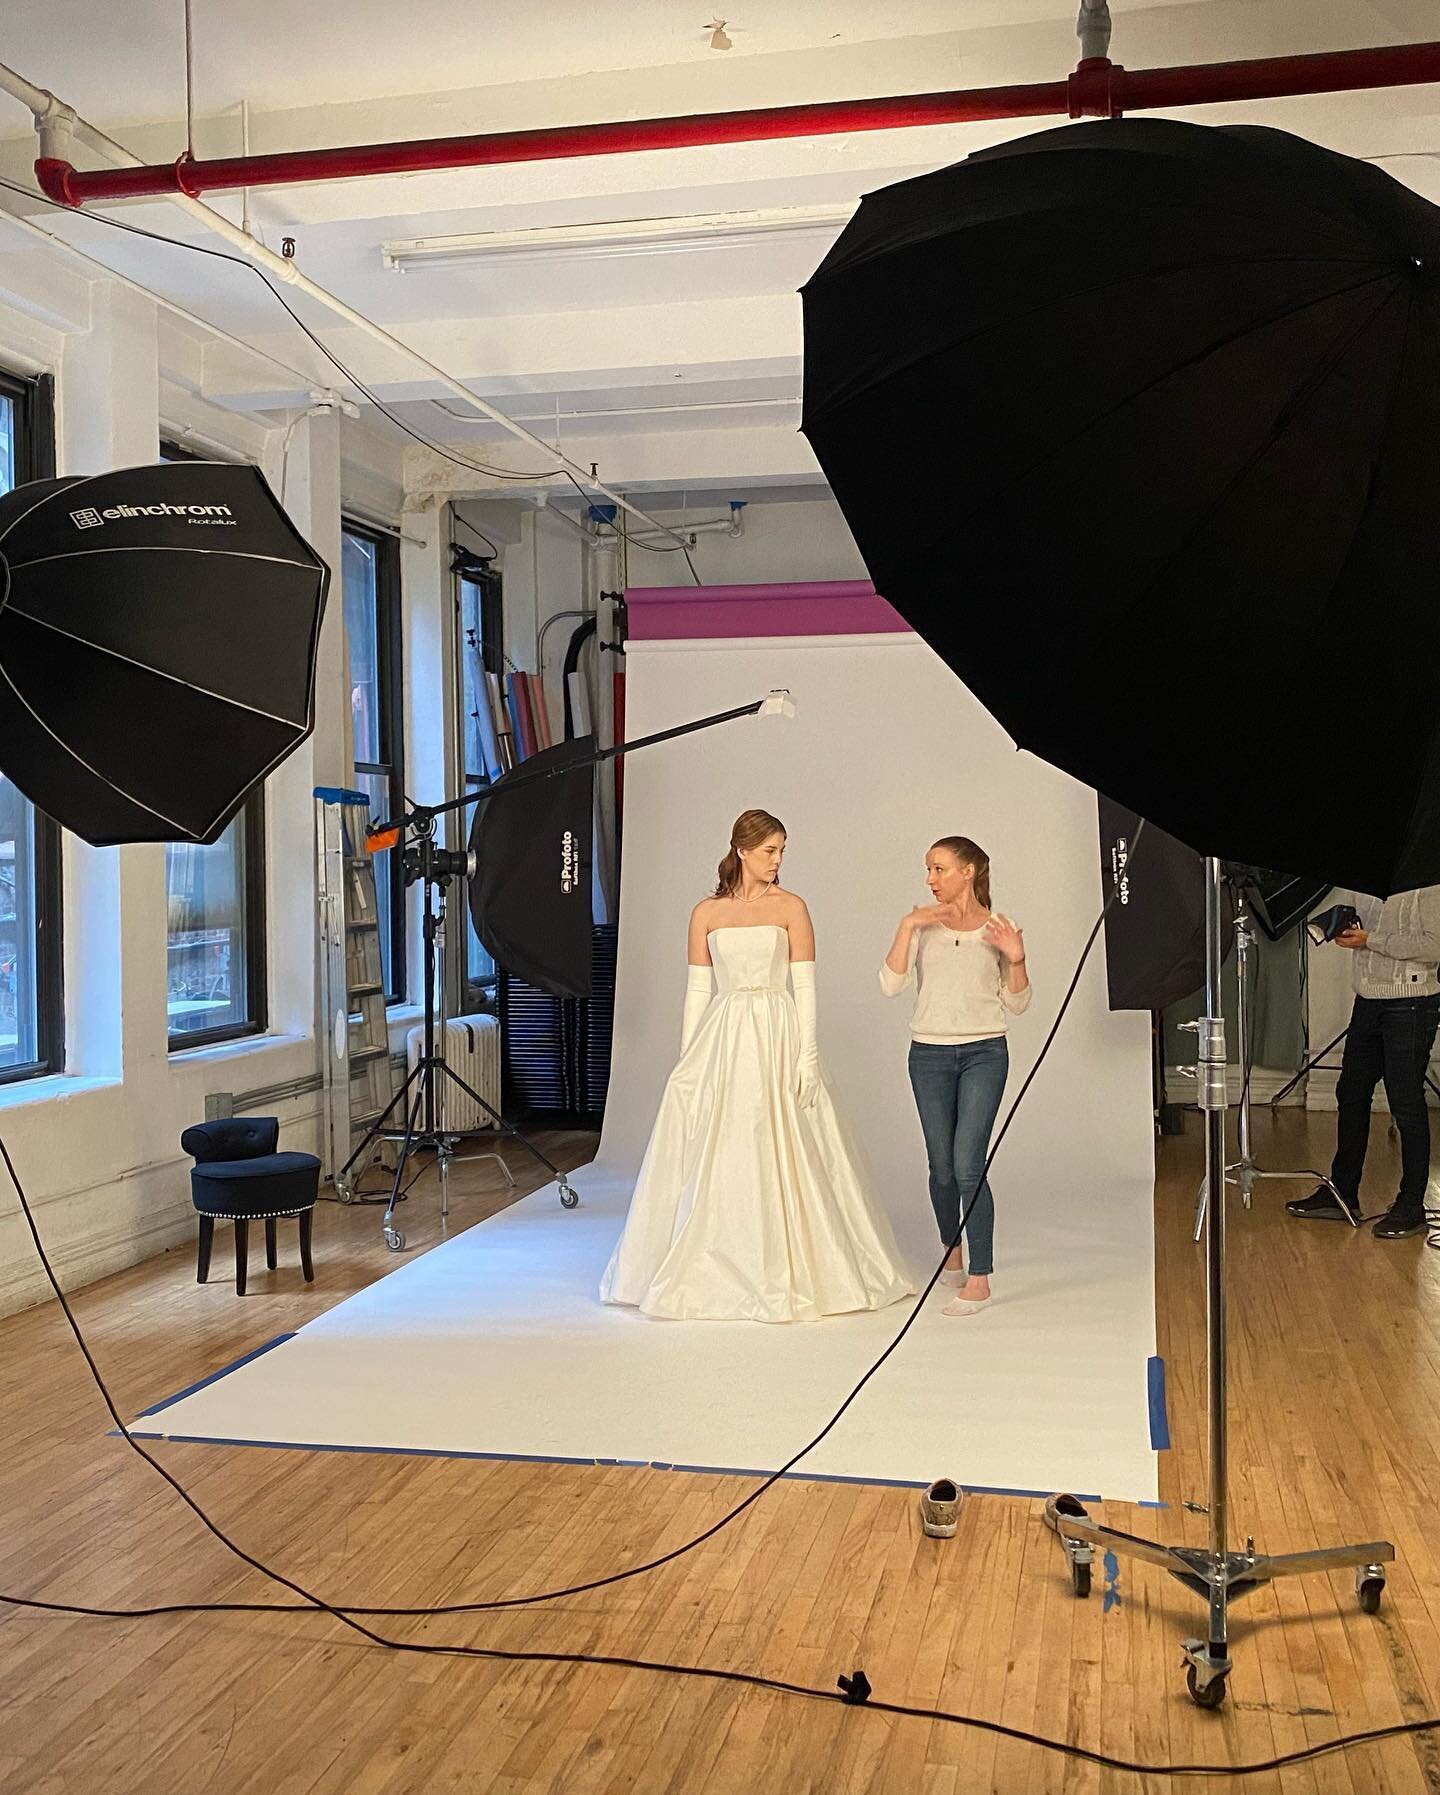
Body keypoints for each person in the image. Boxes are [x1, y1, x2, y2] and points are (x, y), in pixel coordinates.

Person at [600, 809, 914, 1323]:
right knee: (718, 1142)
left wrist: (808, 1055)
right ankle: (711, 1260)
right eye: (770, 850)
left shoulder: (792, 907)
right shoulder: (706, 912)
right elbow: (698, 990)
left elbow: (806, 986)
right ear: (742, 850)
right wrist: (688, 1060)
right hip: (724, 1033)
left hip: (776, 1028)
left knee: (784, 1137)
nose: (778, 860)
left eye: (782, 850)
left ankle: (803, 1262)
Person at [881, 836, 1031, 1316]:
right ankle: (952, 1247)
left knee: (969, 1164)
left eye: (940, 869)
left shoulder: (997, 928)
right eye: (928, 870)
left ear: (969, 871)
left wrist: (1017, 958)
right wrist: (908, 925)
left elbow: (1019, 1004)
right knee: (941, 1168)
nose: (931, 879)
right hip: (928, 1055)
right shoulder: (923, 926)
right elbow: (890, 986)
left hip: (985, 1053)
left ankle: (980, 1278)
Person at [1286, 886, 1440, 1238]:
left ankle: (1412, 1205)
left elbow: (1434, 945)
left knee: (1406, 1103)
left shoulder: (1428, 879)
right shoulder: (1365, 883)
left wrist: (1371, 939)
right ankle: (1342, 1193)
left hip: (1412, 1002)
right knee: (1352, 1092)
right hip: (1368, 998)